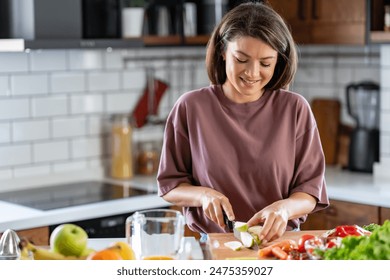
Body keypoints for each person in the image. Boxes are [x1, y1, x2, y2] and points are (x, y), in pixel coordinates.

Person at [157, 1, 329, 243]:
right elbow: (170, 186)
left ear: (278, 61)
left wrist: (283, 209)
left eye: (265, 63)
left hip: (283, 245)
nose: (252, 72)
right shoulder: (191, 107)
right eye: (241, 59)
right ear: (222, 51)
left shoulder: (295, 109)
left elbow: (310, 191)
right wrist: (204, 196)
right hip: (215, 245)